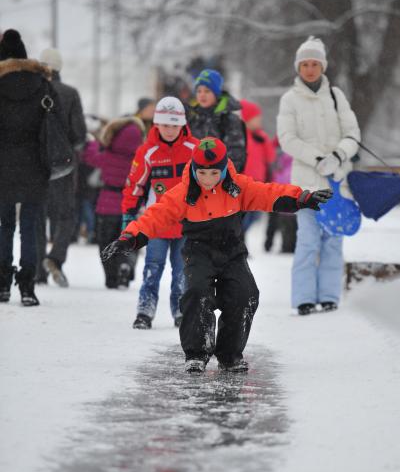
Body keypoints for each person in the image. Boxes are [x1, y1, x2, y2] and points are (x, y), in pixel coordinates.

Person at [101, 137, 332, 372]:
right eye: (202, 173)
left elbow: (269, 193)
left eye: (214, 173)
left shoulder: (238, 187)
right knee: (196, 293)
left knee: (246, 295)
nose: (208, 180)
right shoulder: (182, 193)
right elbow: (155, 216)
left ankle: (229, 355)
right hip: (198, 251)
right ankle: (197, 353)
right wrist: (128, 238)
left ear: (223, 169)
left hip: (231, 250)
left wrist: (302, 197)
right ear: (193, 169)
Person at [277, 36, 360, 315]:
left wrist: (337, 156)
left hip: (338, 181)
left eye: (315, 63)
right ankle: (303, 298)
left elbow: (353, 134)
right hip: (306, 185)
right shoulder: (290, 99)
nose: (310, 69)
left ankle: (329, 296)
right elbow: (287, 138)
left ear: (322, 66)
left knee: (333, 241)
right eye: (305, 64)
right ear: (298, 67)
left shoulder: (336, 96)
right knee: (308, 241)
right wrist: (317, 159)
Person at [121, 96, 199, 329]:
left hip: (187, 222)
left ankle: (181, 310)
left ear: (182, 125)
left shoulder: (194, 149)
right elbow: (135, 185)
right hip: (157, 223)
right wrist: (129, 214)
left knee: (182, 270)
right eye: (165, 125)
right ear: (156, 124)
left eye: (174, 125)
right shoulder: (147, 152)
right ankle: (145, 310)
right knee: (152, 267)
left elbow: (208, 180)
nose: (170, 130)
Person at [0, 30, 52, 306]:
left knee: (4, 225)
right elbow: (55, 126)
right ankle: (28, 286)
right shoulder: (41, 84)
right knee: (30, 227)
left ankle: (3, 284)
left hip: (3, 166)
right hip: (35, 165)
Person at [36, 47, 86, 287]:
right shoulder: (69, 93)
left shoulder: (29, 92)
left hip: (33, 165)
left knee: (36, 215)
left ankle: (37, 269)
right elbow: (79, 135)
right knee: (65, 215)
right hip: (63, 166)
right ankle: (55, 257)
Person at [82, 116, 145, 288]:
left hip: (107, 205)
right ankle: (126, 265)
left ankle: (111, 277)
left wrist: (92, 142)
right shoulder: (140, 159)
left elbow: (90, 157)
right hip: (131, 206)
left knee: (106, 242)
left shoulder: (108, 155)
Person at [186, 68, 246, 172]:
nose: (202, 95)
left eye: (207, 91)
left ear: (216, 93)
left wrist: (219, 175)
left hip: (221, 177)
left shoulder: (228, 119)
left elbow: (236, 154)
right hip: (194, 177)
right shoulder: (192, 118)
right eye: (199, 91)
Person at [239, 99, 276, 237]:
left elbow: (271, 157)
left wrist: (264, 141)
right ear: (247, 119)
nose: (259, 121)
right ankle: (240, 242)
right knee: (245, 215)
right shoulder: (241, 136)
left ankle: (240, 238)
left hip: (259, 183)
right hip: (244, 184)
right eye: (256, 118)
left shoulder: (261, 137)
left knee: (256, 216)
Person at [264, 139, 297, 253]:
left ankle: (281, 246)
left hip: (278, 196)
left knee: (281, 224)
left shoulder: (283, 161)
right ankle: (287, 247)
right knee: (289, 225)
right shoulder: (290, 160)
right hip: (287, 199)